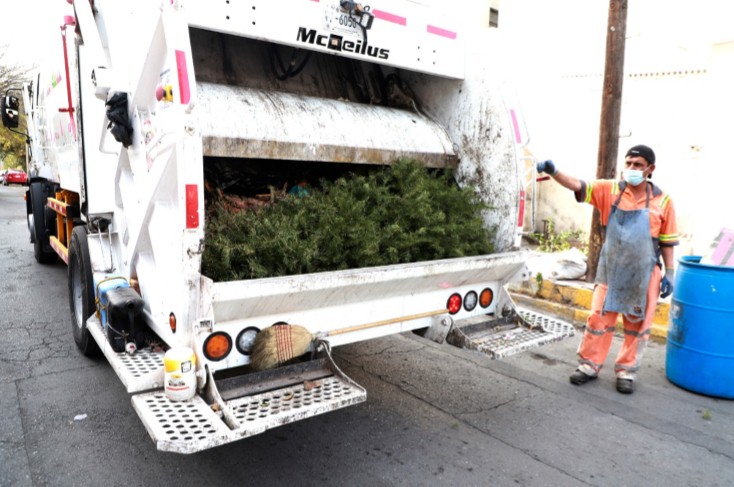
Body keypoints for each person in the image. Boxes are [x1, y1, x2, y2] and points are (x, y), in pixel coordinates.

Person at [536, 145, 678, 394]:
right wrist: (555, 171)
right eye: (629, 163)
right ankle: (589, 365)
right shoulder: (609, 189)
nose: (632, 169)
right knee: (598, 320)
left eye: (638, 165)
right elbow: (577, 185)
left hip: (644, 274)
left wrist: (670, 272)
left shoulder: (663, 200)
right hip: (610, 270)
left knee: (637, 325)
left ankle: (626, 371)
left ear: (650, 169)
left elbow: (667, 241)